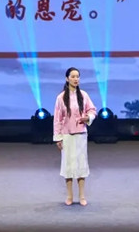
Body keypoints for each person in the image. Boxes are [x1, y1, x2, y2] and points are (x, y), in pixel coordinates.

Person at [53, 67, 97, 206]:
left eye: (77, 76)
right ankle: (70, 196)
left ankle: (82, 196)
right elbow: (57, 119)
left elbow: (92, 110)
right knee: (68, 166)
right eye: (73, 76)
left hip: (81, 135)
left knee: (81, 165)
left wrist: (88, 117)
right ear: (67, 79)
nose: (76, 79)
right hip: (67, 135)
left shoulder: (83, 95)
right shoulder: (61, 98)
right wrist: (58, 137)